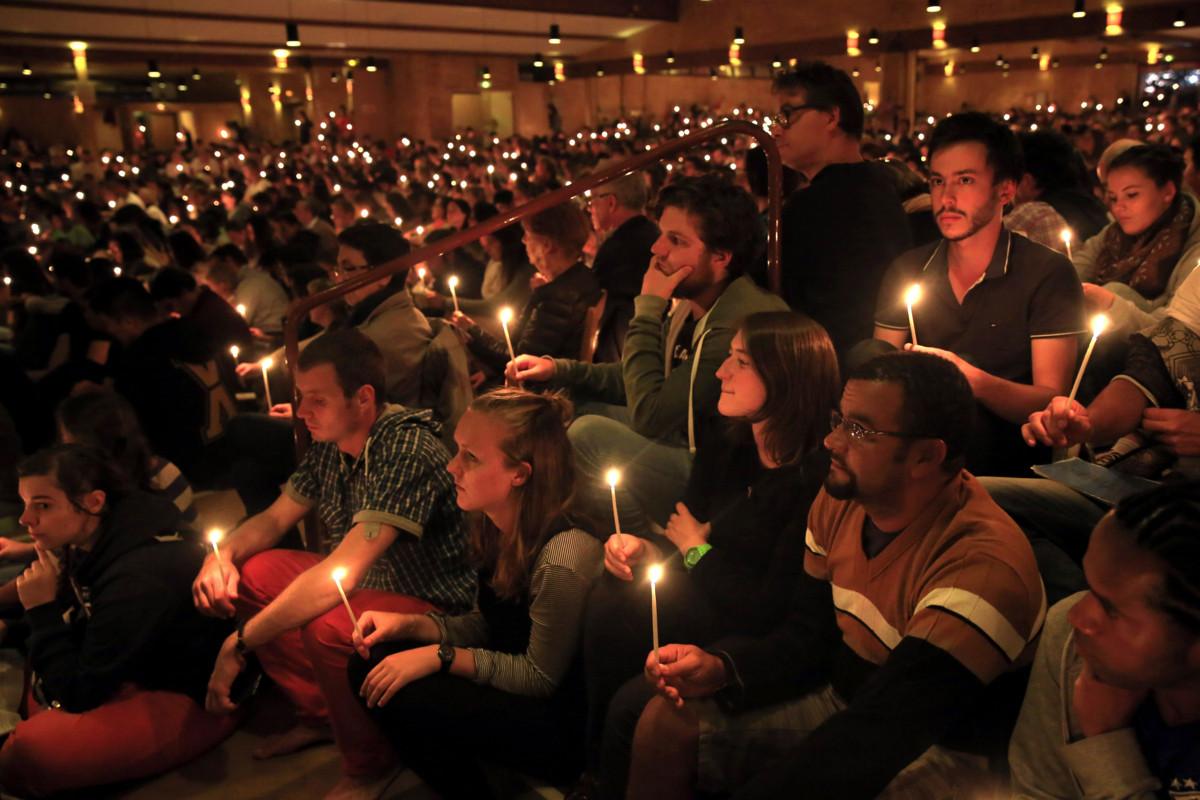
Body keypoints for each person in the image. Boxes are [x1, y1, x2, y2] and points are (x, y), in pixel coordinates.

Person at [609, 351, 1046, 800]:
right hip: (846, 703)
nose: (832, 442)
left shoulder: (980, 567)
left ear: (925, 456)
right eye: (839, 420)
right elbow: (808, 636)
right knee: (666, 720)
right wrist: (722, 669)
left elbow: (885, 732)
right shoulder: (841, 500)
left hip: (944, 752)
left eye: (859, 430)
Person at [194, 329, 474, 800]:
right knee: (253, 573)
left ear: (363, 398)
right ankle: (322, 715)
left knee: (327, 618)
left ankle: (372, 762)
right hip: (366, 585)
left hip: (434, 604)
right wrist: (220, 557)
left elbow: (343, 569)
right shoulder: (331, 443)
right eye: (301, 397)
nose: (301, 413)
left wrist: (238, 644)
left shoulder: (405, 449)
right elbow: (274, 518)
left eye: (317, 400)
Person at [580, 311, 838, 798]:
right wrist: (643, 547)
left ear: (785, 377)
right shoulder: (729, 442)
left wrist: (697, 551)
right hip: (708, 594)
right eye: (728, 358)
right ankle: (590, 769)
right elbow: (683, 527)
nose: (722, 372)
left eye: (741, 362)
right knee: (610, 596)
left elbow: (765, 609)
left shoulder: (813, 483)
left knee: (636, 703)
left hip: (750, 636)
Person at [347, 388, 603, 798]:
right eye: (457, 450)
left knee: (403, 690)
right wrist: (413, 627)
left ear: (520, 473)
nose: (451, 467)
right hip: (509, 683)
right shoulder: (494, 522)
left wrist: (440, 657)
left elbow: (539, 677)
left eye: (471, 457)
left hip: (552, 723)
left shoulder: (564, 553)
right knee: (370, 663)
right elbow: (492, 624)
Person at [508, 175, 789, 537]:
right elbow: (637, 378)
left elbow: (650, 415)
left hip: (718, 475)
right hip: (683, 441)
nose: (657, 249)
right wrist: (556, 368)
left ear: (721, 257)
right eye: (661, 234)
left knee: (587, 434)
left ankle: (643, 542)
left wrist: (648, 309)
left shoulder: (735, 322)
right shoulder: (694, 304)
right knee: (573, 405)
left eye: (676, 240)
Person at [0, 444, 235, 797]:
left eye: (42, 505)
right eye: (25, 504)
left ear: (93, 502)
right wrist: (13, 627)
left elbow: (79, 690)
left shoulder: (138, 575)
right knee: (37, 690)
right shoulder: (91, 534)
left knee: (26, 755)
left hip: (186, 692)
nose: (25, 520)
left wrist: (40, 611)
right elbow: (80, 609)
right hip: (128, 669)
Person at [873, 111, 1085, 477]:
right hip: (911, 459)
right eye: (938, 181)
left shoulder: (1046, 273)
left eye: (965, 180)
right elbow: (879, 371)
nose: (946, 197)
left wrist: (971, 379)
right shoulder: (908, 270)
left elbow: (1051, 397)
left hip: (1001, 467)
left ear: (1005, 190)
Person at [982, 264, 1200, 603]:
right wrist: (1087, 422)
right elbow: (1152, 371)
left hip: (1184, 508)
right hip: (1147, 481)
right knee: (980, 501)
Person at [1008, 482, 1200, 799]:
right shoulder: (1072, 647)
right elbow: (1036, 791)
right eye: (1091, 588)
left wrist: (1106, 747)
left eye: (1110, 609)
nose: (1078, 617)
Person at [771, 61, 912, 359]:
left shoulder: (815, 205)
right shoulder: (882, 182)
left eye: (787, 115)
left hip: (823, 368)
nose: (776, 129)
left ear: (832, 117)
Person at [86, 277, 238, 485]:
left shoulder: (139, 360)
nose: (112, 334)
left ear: (127, 320)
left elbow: (136, 433)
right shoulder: (197, 331)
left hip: (189, 474)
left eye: (110, 326)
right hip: (235, 450)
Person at [453, 202, 600, 383]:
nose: (523, 241)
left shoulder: (557, 297)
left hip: (547, 393)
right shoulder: (579, 277)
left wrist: (471, 331)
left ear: (546, 245)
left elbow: (521, 361)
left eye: (528, 235)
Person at [1072, 144, 1200, 338]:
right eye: (1113, 198)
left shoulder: (1193, 245)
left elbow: (1175, 332)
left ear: (1168, 192)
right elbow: (1078, 266)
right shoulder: (1114, 233)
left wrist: (1111, 304)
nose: (1119, 207)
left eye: (1131, 195)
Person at [586, 166, 661, 363]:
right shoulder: (653, 234)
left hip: (624, 353)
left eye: (593, 199)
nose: (589, 207)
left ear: (611, 202)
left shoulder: (616, 249)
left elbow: (592, 301)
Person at [150, 266, 253, 359]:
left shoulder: (207, 315)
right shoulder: (205, 302)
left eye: (169, 307)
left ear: (184, 292)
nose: (173, 312)